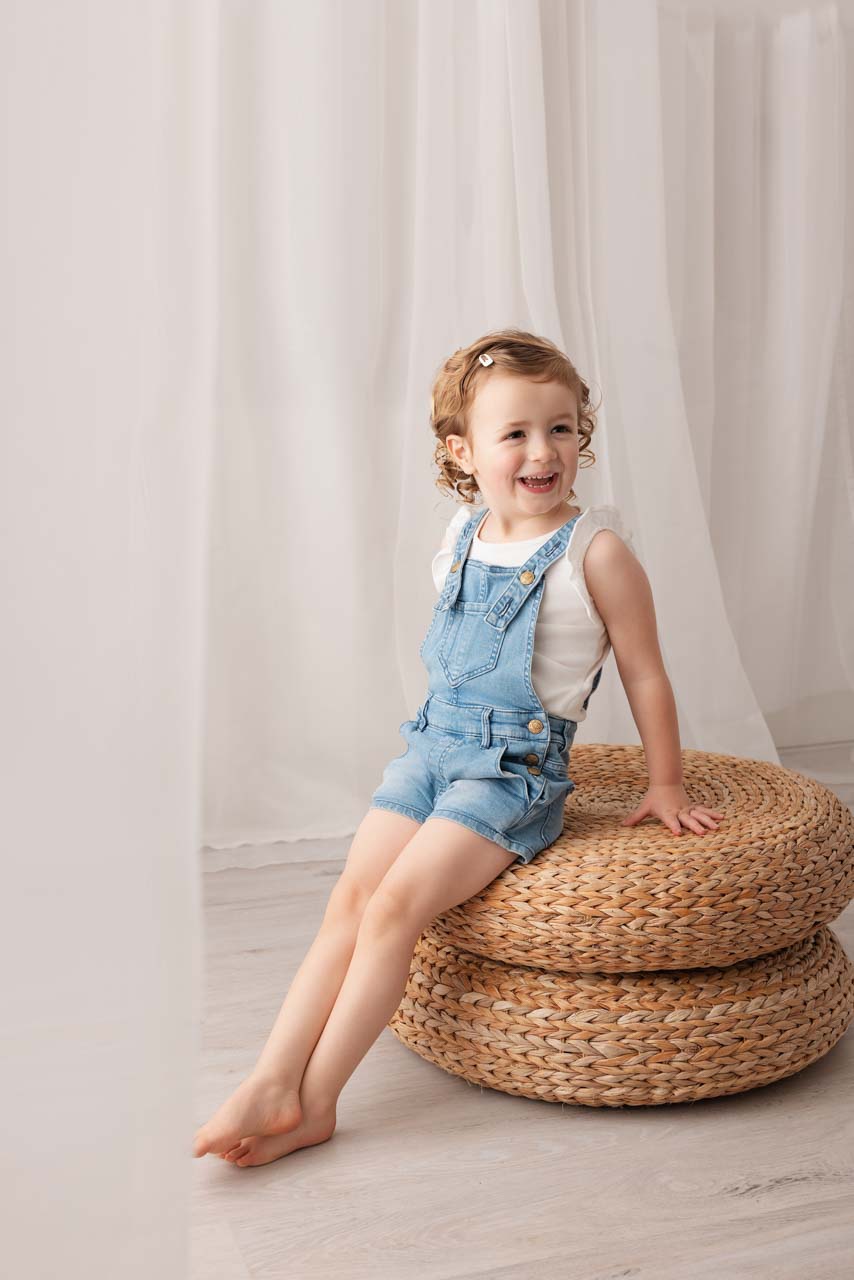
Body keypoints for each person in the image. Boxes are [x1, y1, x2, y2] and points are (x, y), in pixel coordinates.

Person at [192, 328, 722, 1167]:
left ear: (582, 436)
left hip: (512, 774)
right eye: (514, 433)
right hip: (431, 748)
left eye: (561, 428)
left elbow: (646, 674)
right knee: (350, 900)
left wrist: (665, 784)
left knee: (398, 908)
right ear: (463, 451)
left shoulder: (598, 554)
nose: (541, 451)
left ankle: (317, 1102)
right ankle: (271, 1076)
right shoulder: (460, 539)